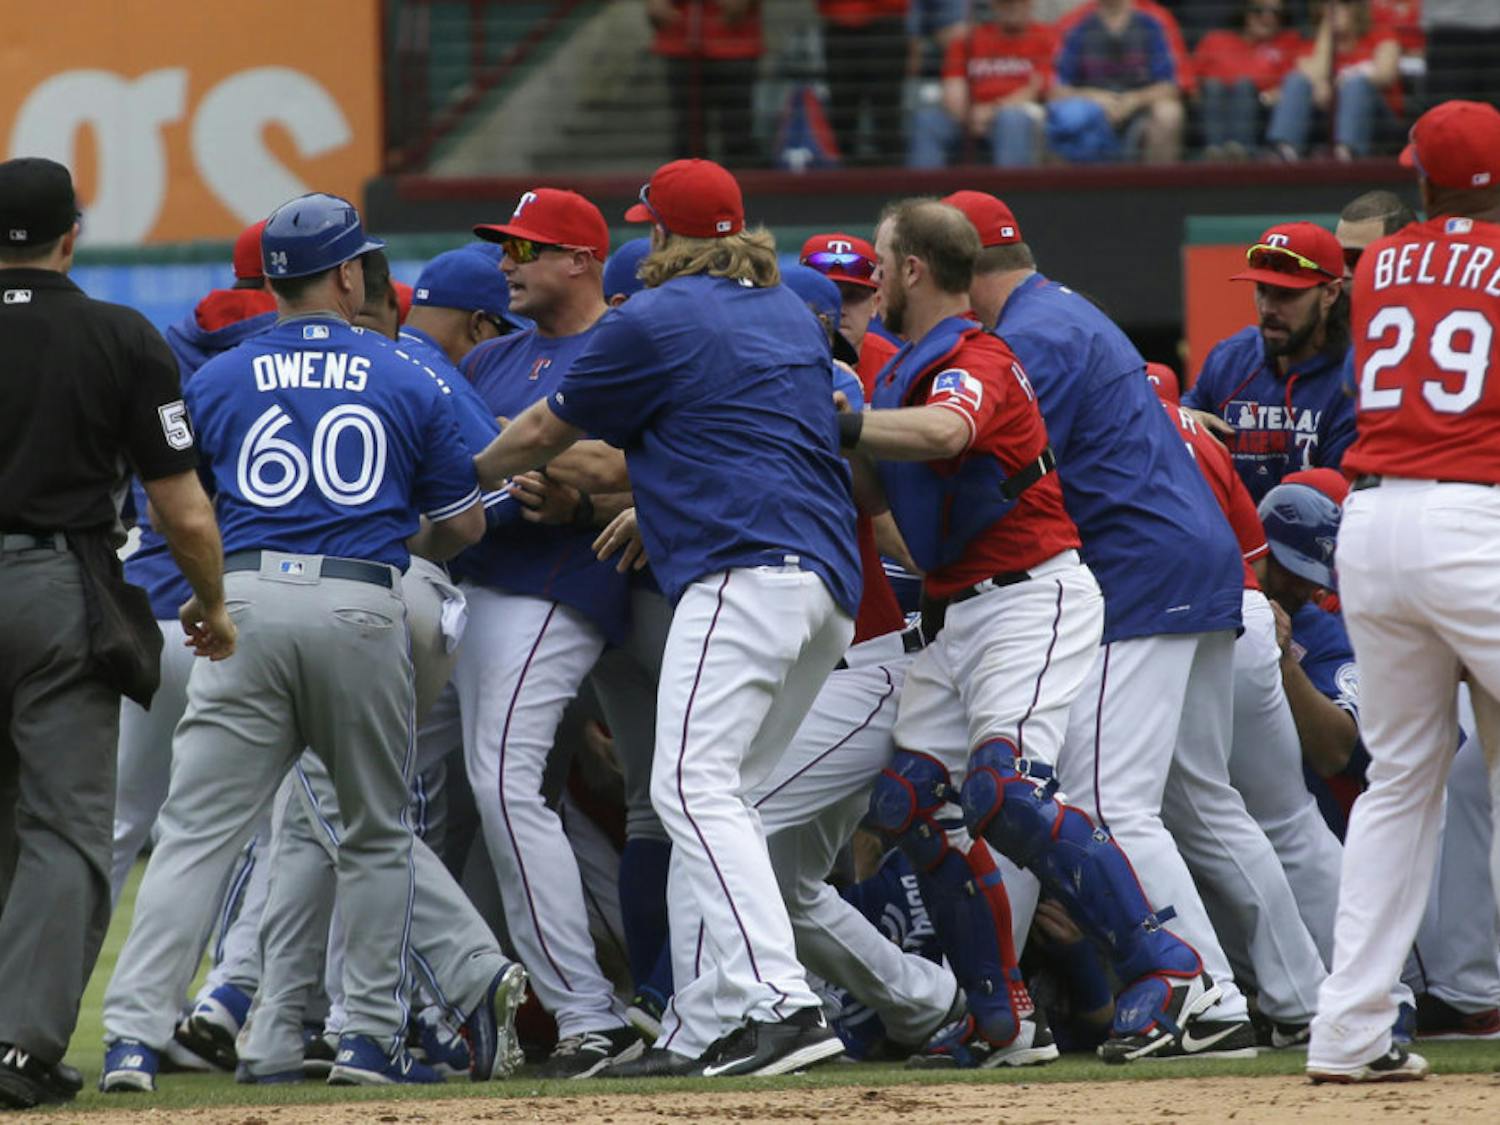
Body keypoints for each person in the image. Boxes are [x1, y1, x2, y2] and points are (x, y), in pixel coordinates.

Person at [473, 157, 861, 1077]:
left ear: (662, 238)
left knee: (688, 790)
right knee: (720, 801)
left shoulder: (655, 313)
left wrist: (463, 472)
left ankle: (781, 1002)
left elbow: (539, 438)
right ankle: (708, 1019)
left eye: (651, 227)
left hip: (743, 573)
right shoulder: (789, 315)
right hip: (823, 587)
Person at [98, 191, 485, 1092]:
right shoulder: (399, 368)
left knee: (193, 833)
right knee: (376, 833)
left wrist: (210, 595)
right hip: (360, 602)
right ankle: (366, 1041)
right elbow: (464, 525)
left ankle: (129, 1040)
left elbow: (174, 503)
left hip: (247, 601)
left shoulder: (221, 372)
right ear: (349, 273)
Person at [946, 188, 1263, 1062]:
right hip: (1181, 558)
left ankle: (1206, 991)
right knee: (1202, 802)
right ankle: (1290, 991)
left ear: (962, 269)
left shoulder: (1031, 333)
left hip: (1139, 568)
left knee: (1107, 804)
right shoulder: (1058, 308)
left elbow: (986, 463)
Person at [843, 197, 1105, 1068]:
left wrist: (836, 421)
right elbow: (875, 500)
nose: (872, 281)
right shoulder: (895, 367)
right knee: (909, 802)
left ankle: (1168, 968)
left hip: (1027, 591)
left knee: (1006, 793)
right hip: (953, 609)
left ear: (913, 269)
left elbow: (949, 430)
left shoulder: (975, 354)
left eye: (879, 264)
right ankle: (1002, 1017)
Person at [0, 157, 231, 1111]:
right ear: (72, 233)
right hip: (57, 583)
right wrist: (211, 605)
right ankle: (18, 1048)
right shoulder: (120, 335)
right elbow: (181, 508)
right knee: (63, 827)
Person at [1304, 99, 1500, 1084]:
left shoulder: (1377, 264)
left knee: (1399, 785)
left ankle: (1346, 1031)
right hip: (1473, 518)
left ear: (1422, 181)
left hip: (1373, 525)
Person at [453, 188, 642, 1079]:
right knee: (460, 801)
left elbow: (632, 468)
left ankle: (589, 1011)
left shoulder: (624, 341)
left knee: (504, 783)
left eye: (526, 248)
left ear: (581, 259)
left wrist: (561, 483)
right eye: (504, 249)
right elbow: (445, 462)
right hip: (474, 584)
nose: (507, 264)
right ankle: (440, 1010)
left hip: (562, 584)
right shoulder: (496, 361)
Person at [1183, 222, 1356, 503]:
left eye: (1286, 295)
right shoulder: (1230, 359)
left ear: (1330, 294)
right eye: (1262, 290)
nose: (1268, 308)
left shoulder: (1352, 379)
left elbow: (1339, 504)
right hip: (1232, 543)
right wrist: (1181, 422)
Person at [908, 0, 1055, 168]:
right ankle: (924, 193)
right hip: (968, 115)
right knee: (928, 121)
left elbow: (1036, 88)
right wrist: (970, 116)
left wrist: (991, 112)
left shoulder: (1044, 37)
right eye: (1006, 4)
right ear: (993, 6)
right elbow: (953, 86)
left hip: (1018, 113)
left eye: (1019, 3)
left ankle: (1012, 192)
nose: (1013, 8)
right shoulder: (968, 40)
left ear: (1030, 5)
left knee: (1011, 119)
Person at [1049, 0, 1189, 163]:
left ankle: (1157, 187)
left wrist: (1134, 100)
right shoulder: (1077, 27)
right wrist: (1094, 98)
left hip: (1140, 110)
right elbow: (1057, 91)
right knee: (1067, 116)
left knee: (1169, 113)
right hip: (1091, 112)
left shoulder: (1151, 25)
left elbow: (1169, 87)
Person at [1266, 0, 1402, 160]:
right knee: (1297, 81)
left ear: (1357, 9)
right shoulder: (1308, 46)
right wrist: (1326, 33)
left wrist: (1339, 84)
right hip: (1328, 120)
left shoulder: (1379, 34)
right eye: (1326, 4)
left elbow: (1386, 73)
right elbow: (1312, 77)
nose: (1333, 10)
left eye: (1343, 3)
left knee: (1355, 86)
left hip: (1377, 120)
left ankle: (1346, 153)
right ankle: (1285, 150)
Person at [647, 1, 763, 166]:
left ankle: (738, 185)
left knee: (737, 130)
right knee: (688, 134)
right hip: (682, 38)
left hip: (733, 38)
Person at [1191, 0, 1306, 159]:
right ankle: (1215, 153)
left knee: (1244, 86)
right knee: (1214, 86)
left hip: (1261, 110)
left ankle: (1241, 153)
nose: (1267, 18)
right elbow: (1190, 81)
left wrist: (1272, 94)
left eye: (1275, 13)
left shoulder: (1287, 43)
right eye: (1259, 11)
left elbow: (1296, 82)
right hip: (1213, 107)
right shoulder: (1215, 40)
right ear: (1246, 14)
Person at [818, 0, 910, 165]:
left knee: (886, 108)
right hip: (840, 23)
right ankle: (840, 176)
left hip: (885, 22)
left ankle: (893, 177)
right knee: (842, 109)